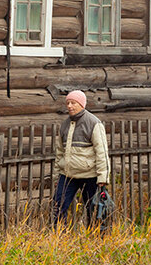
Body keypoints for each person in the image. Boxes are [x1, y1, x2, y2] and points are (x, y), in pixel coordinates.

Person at [52, 89, 110, 226]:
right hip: (67, 175)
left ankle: (95, 238)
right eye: (68, 103)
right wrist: (57, 176)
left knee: (93, 209)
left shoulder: (94, 123)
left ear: (82, 104)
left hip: (89, 175)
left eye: (73, 103)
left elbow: (102, 152)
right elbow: (59, 152)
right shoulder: (65, 125)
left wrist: (103, 178)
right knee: (58, 206)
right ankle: (60, 238)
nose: (70, 106)